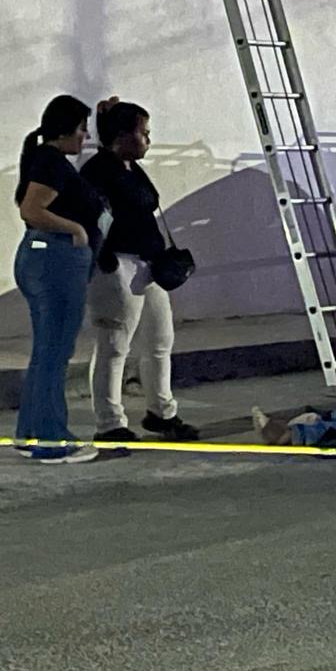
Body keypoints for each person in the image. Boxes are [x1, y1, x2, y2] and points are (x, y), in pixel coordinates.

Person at [80, 98, 201, 444]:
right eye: (143, 133)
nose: (148, 139)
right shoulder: (98, 172)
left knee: (160, 340)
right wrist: (103, 259)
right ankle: (109, 423)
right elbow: (90, 217)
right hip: (118, 263)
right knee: (114, 345)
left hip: (149, 263)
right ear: (122, 136)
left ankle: (162, 412)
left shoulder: (130, 167)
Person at [13, 95, 108, 464]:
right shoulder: (51, 162)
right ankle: (51, 439)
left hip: (42, 257)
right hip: (56, 260)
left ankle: (31, 430)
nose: (86, 137)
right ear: (66, 129)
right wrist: (76, 230)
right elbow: (32, 209)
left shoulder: (44, 159)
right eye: (83, 129)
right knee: (55, 353)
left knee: (45, 351)